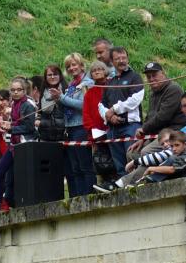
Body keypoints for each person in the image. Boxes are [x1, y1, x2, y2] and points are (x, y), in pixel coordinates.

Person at [0, 77, 36, 213]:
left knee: (21, 176)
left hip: (25, 145)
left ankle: (25, 204)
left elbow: (29, 127)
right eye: (13, 90)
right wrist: (6, 124)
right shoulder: (13, 105)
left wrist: (11, 127)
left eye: (18, 90)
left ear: (24, 90)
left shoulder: (28, 105)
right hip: (13, 146)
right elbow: (15, 124)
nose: (15, 92)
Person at [103, 47, 145, 174]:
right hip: (112, 128)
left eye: (124, 58)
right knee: (119, 166)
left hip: (131, 126)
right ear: (111, 61)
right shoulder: (109, 81)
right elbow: (102, 104)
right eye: (117, 58)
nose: (121, 61)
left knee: (132, 161)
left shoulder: (135, 77)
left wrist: (114, 109)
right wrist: (109, 116)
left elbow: (136, 99)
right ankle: (122, 185)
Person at [60, 53, 96, 197]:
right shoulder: (71, 85)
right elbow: (67, 104)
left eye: (74, 64)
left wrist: (61, 98)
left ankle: (89, 195)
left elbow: (84, 105)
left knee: (84, 164)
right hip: (70, 127)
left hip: (81, 126)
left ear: (81, 65)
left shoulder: (88, 83)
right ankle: (79, 197)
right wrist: (58, 99)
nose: (71, 68)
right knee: (75, 167)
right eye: (68, 66)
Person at [136, 62, 186, 143]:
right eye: (148, 77)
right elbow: (149, 116)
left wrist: (144, 129)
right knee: (133, 150)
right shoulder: (153, 93)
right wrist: (144, 137)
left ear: (163, 74)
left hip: (173, 133)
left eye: (154, 75)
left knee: (146, 150)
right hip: (158, 134)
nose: (151, 79)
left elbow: (163, 117)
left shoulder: (173, 89)